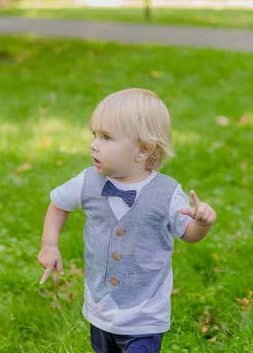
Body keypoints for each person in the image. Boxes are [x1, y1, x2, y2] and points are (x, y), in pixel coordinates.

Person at [37, 88, 217, 353]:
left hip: (145, 315)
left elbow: (188, 234)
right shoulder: (87, 181)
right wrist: (49, 244)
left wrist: (202, 224)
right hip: (100, 309)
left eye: (107, 137)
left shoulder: (167, 192)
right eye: (95, 135)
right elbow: (58, 204)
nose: (94, 144)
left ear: (143, 149)